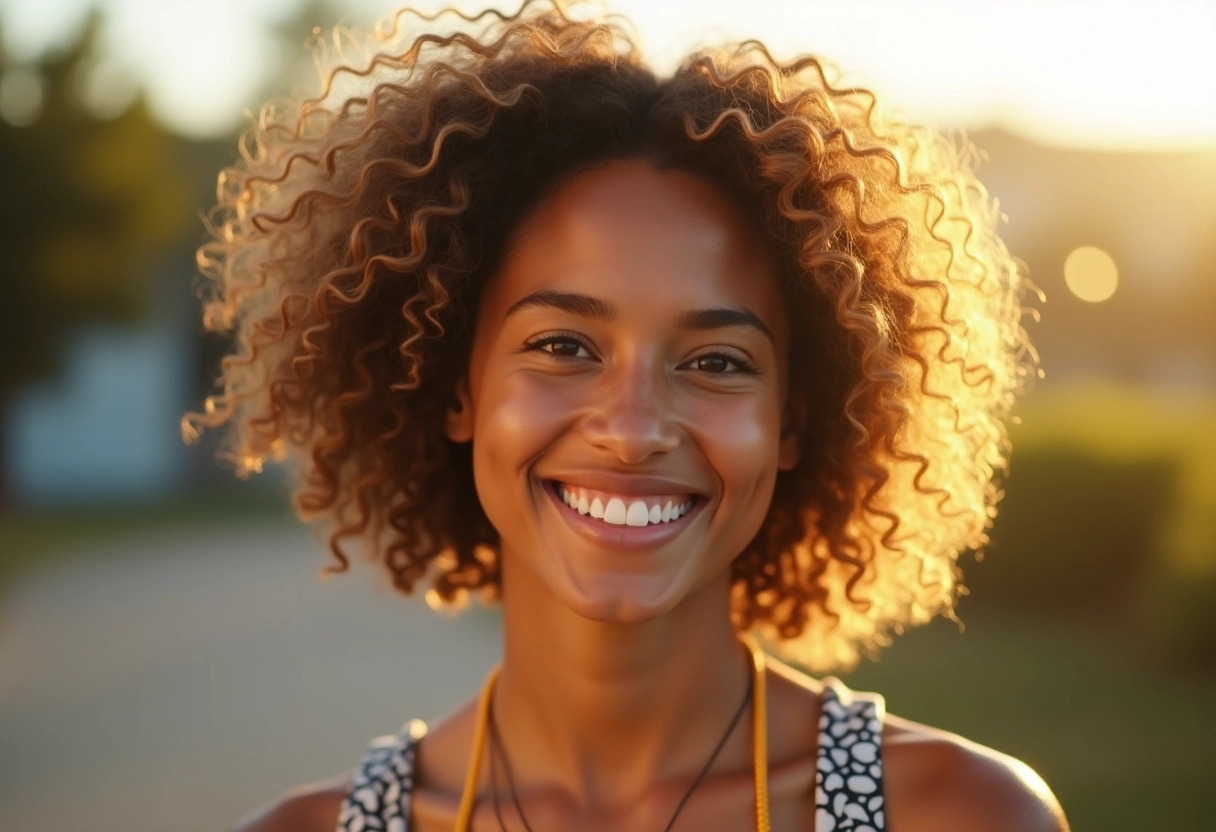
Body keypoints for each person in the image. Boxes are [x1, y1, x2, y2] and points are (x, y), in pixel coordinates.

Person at [186, 2, 1068, 829]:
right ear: (458, 390)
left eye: (717, 362)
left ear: (793, 422)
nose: (634, 426)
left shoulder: (960, 815)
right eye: (564, 346)